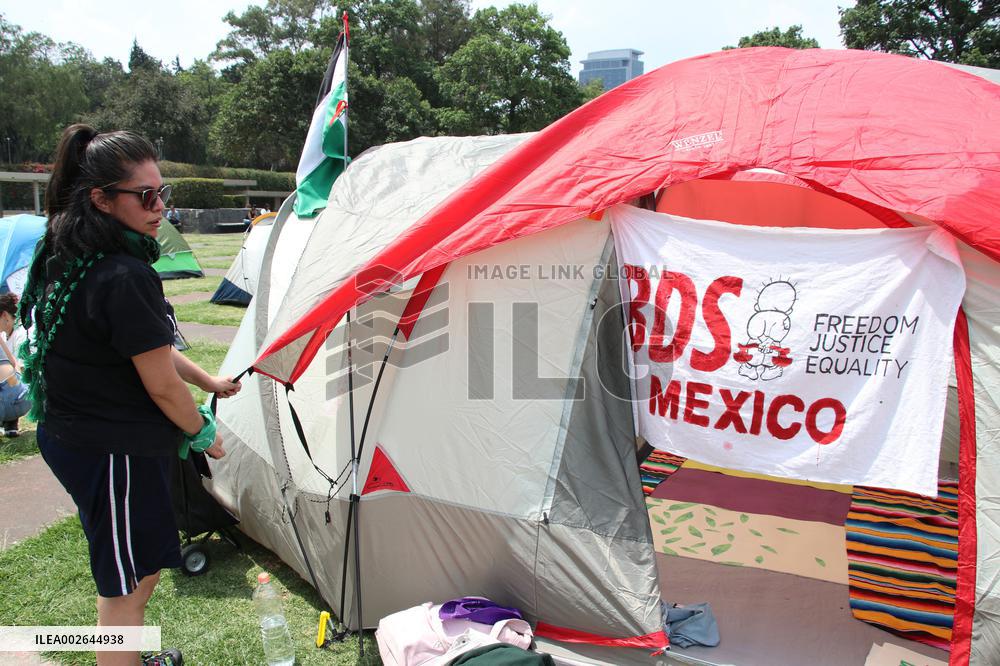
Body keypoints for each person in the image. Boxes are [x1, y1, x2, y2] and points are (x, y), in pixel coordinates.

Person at [23, 124, 241, 666]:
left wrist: (208, 383)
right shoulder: (123, 274)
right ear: (100, 198)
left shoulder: (71, 254)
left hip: (81, 437)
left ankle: (130, 654)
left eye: (162, 192)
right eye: (146, 196)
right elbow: (160, 384)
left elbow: (149, 348)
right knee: (126, 588)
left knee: (135, 570)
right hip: (109, 447)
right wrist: (201, 431)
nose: (159, 206)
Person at [0, 292, 30, 435]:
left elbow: (22, 368)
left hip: (20, 390)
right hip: (16, 390)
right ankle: (10, 423)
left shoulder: (22, 334)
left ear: (5, 316)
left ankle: (10, 419)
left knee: (8, 378)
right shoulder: (4, 336)